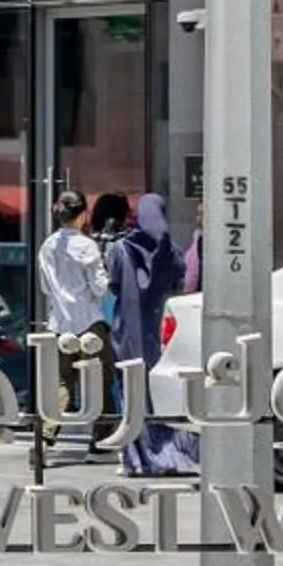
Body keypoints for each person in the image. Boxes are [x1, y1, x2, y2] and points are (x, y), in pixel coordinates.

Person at [108, 193, 199, 476]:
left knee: (130, 393)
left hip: (127, 332)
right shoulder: (169, 250)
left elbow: (112, 285)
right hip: (158, 332)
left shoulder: (119, 249)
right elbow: (182, 281)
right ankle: (165, 452)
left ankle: (136, 459)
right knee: (158, 392)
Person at [36, 188, 107, 343]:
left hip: (58, 325)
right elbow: (99, 288)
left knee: (60, 368)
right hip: (88, 324)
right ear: (82, 215)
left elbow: (45, 288)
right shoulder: (87, 245)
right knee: (95, 366)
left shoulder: (47, 246)